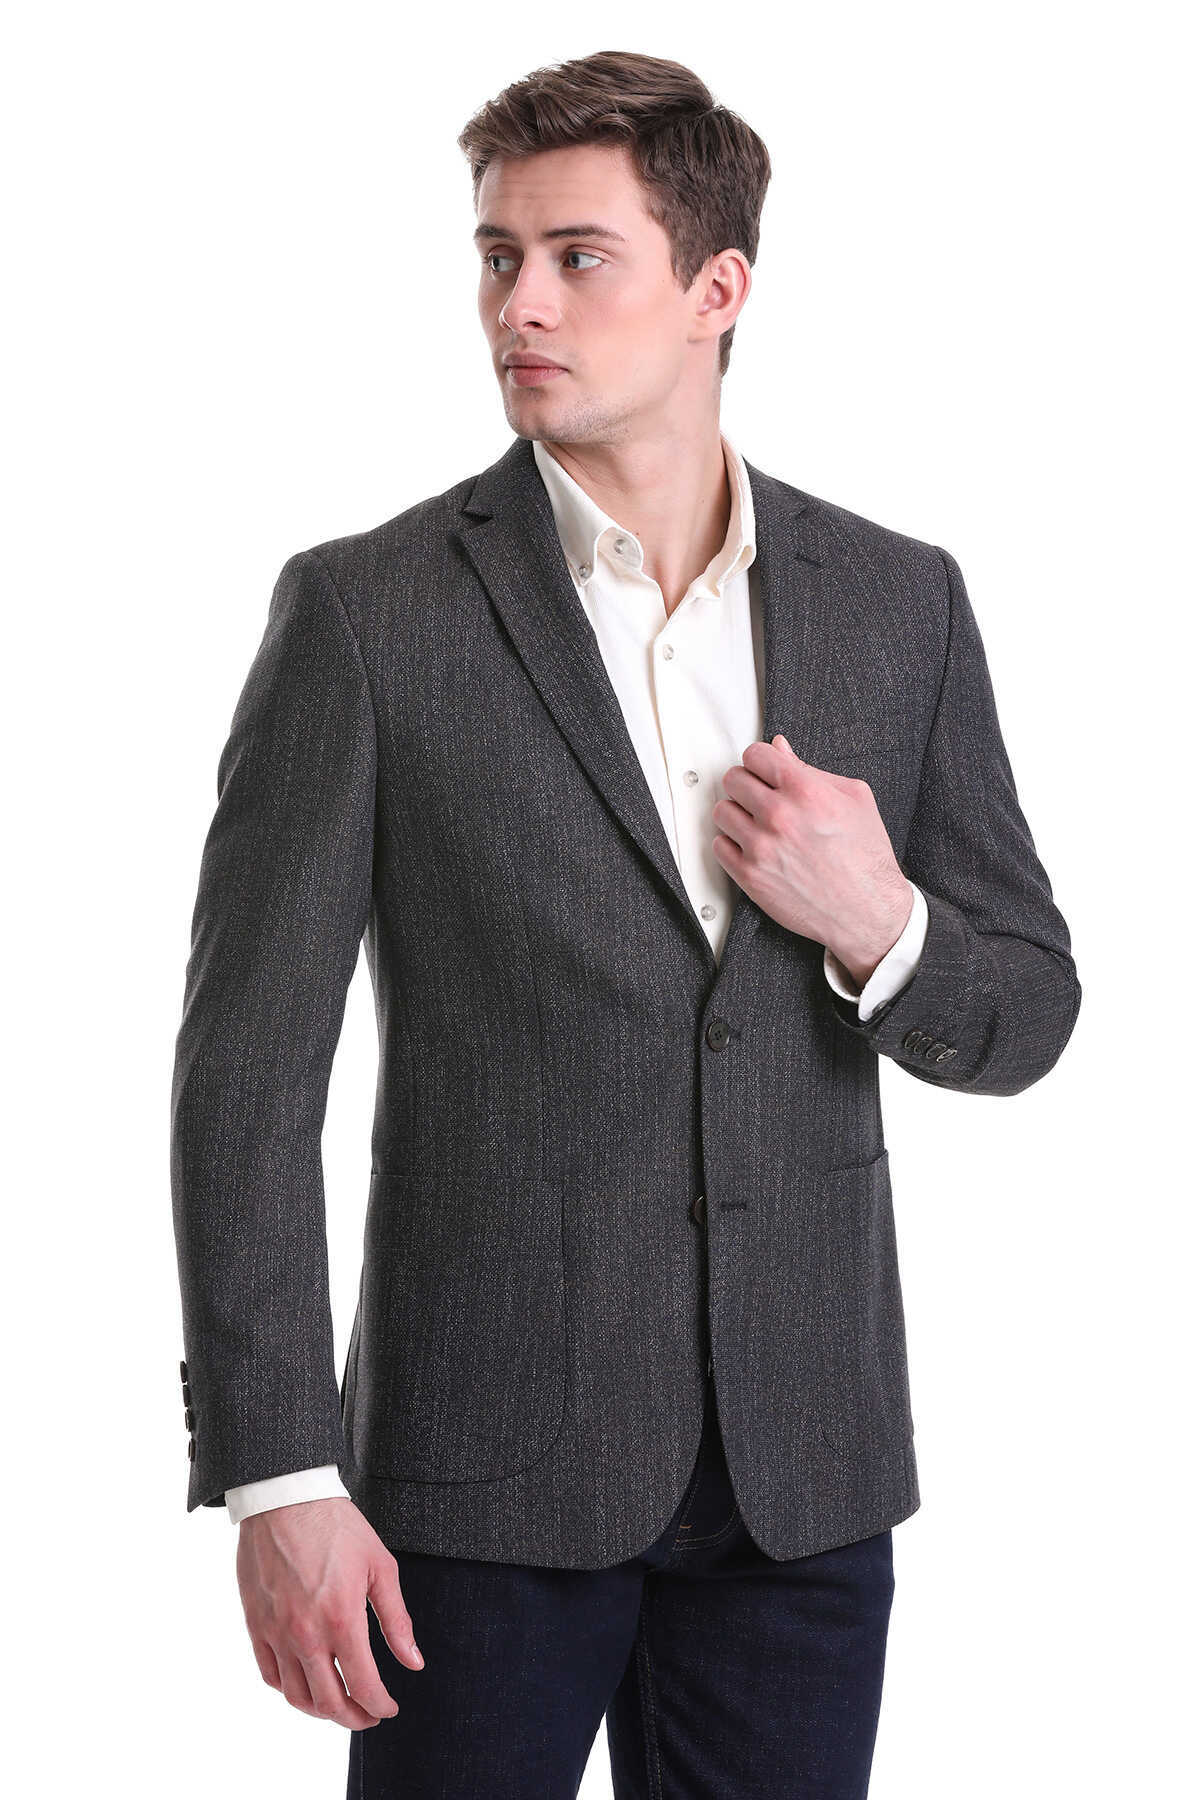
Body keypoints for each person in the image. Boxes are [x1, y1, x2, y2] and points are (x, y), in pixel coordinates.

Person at [169, 49, 1082, 1799]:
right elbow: (245, 1080)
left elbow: (1026, 1012)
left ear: (717, 290)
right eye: (496, 256)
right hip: (474, 1489)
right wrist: (282, 1478)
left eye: (577, 258)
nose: (519, 303)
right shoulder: (367, 614)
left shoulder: (898, 603)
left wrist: (884, 923)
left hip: (804, 1485)